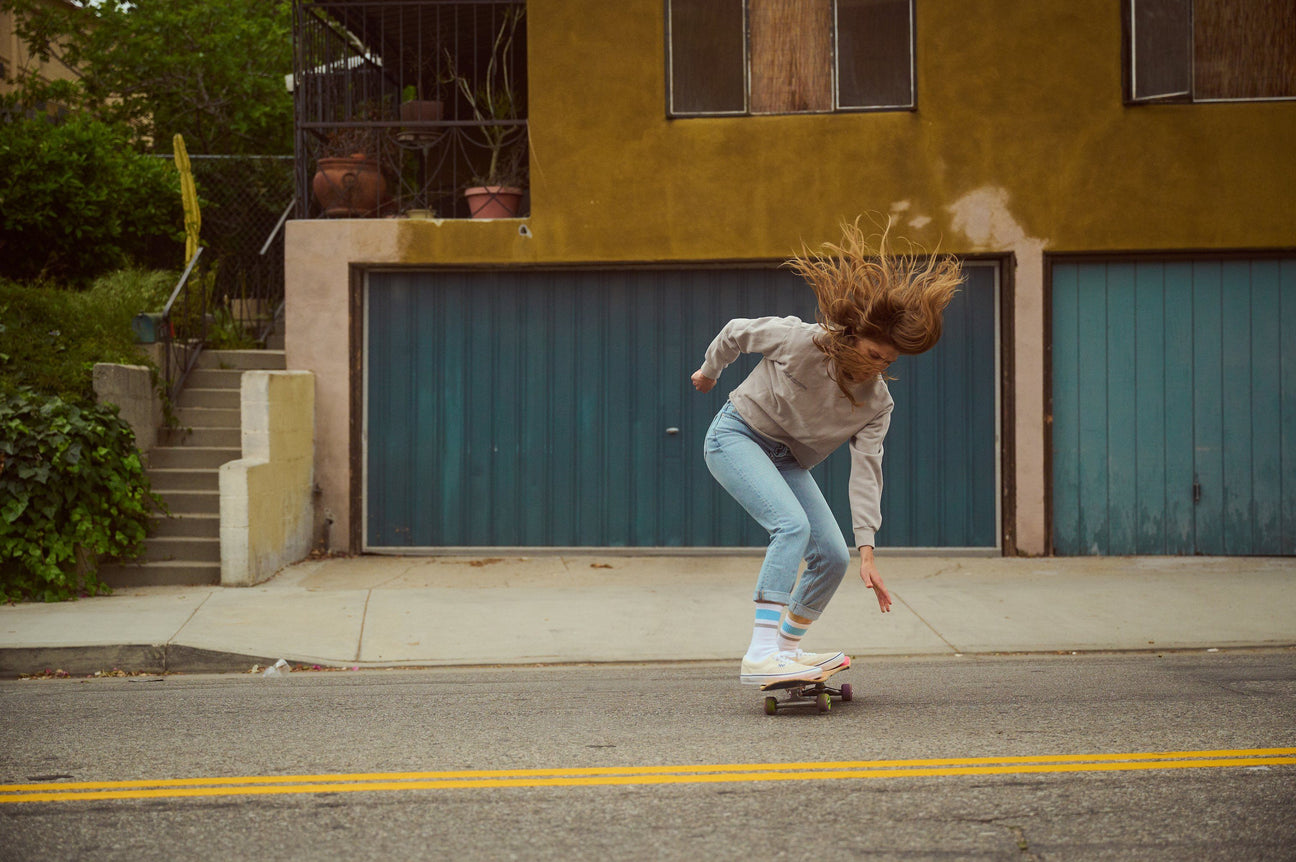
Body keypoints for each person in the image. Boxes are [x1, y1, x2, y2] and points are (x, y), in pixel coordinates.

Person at [690, 218, 962, 686]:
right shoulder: (802, 340)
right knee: (790, 527)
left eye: (889, 363)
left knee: (833, 557)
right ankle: (759, 654)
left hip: (785, 458)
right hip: (735, 435)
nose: (877, 368)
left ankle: (785, 651)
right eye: (875, 354)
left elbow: (866, 473)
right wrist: (709, 372)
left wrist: (868, 550)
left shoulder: (876, 404)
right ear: (855, 336)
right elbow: (737, 331)